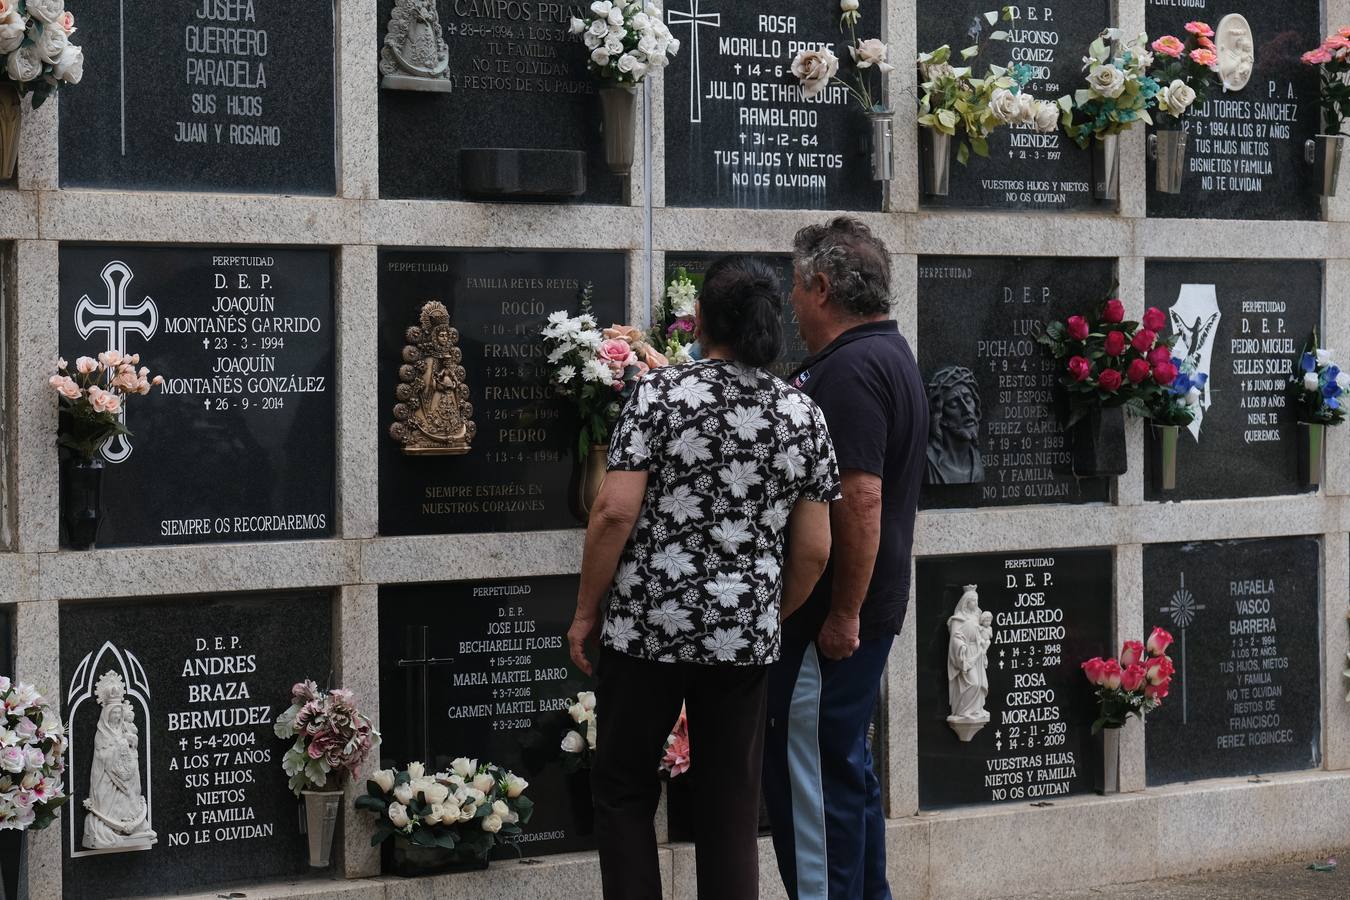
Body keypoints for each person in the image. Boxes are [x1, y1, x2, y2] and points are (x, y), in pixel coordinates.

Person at [567, 255, 840, 900]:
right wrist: (766, 611)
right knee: (730, 806)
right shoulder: (800, 414)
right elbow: (815, 550)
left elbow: (612, 511)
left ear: (705, 324)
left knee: (625, 787)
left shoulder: (657, 397)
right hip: (741, 634)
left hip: (648, 625)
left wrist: (586, 611)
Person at [763, 217, 927, 900]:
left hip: (830, 622)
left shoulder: (852, 370)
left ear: (822, 287)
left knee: (814, 784)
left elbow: (859, 501)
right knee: (845, 771)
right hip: (857, 611)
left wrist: (843, 613)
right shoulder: (890, 355)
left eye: (796, 291)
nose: (791, 307)